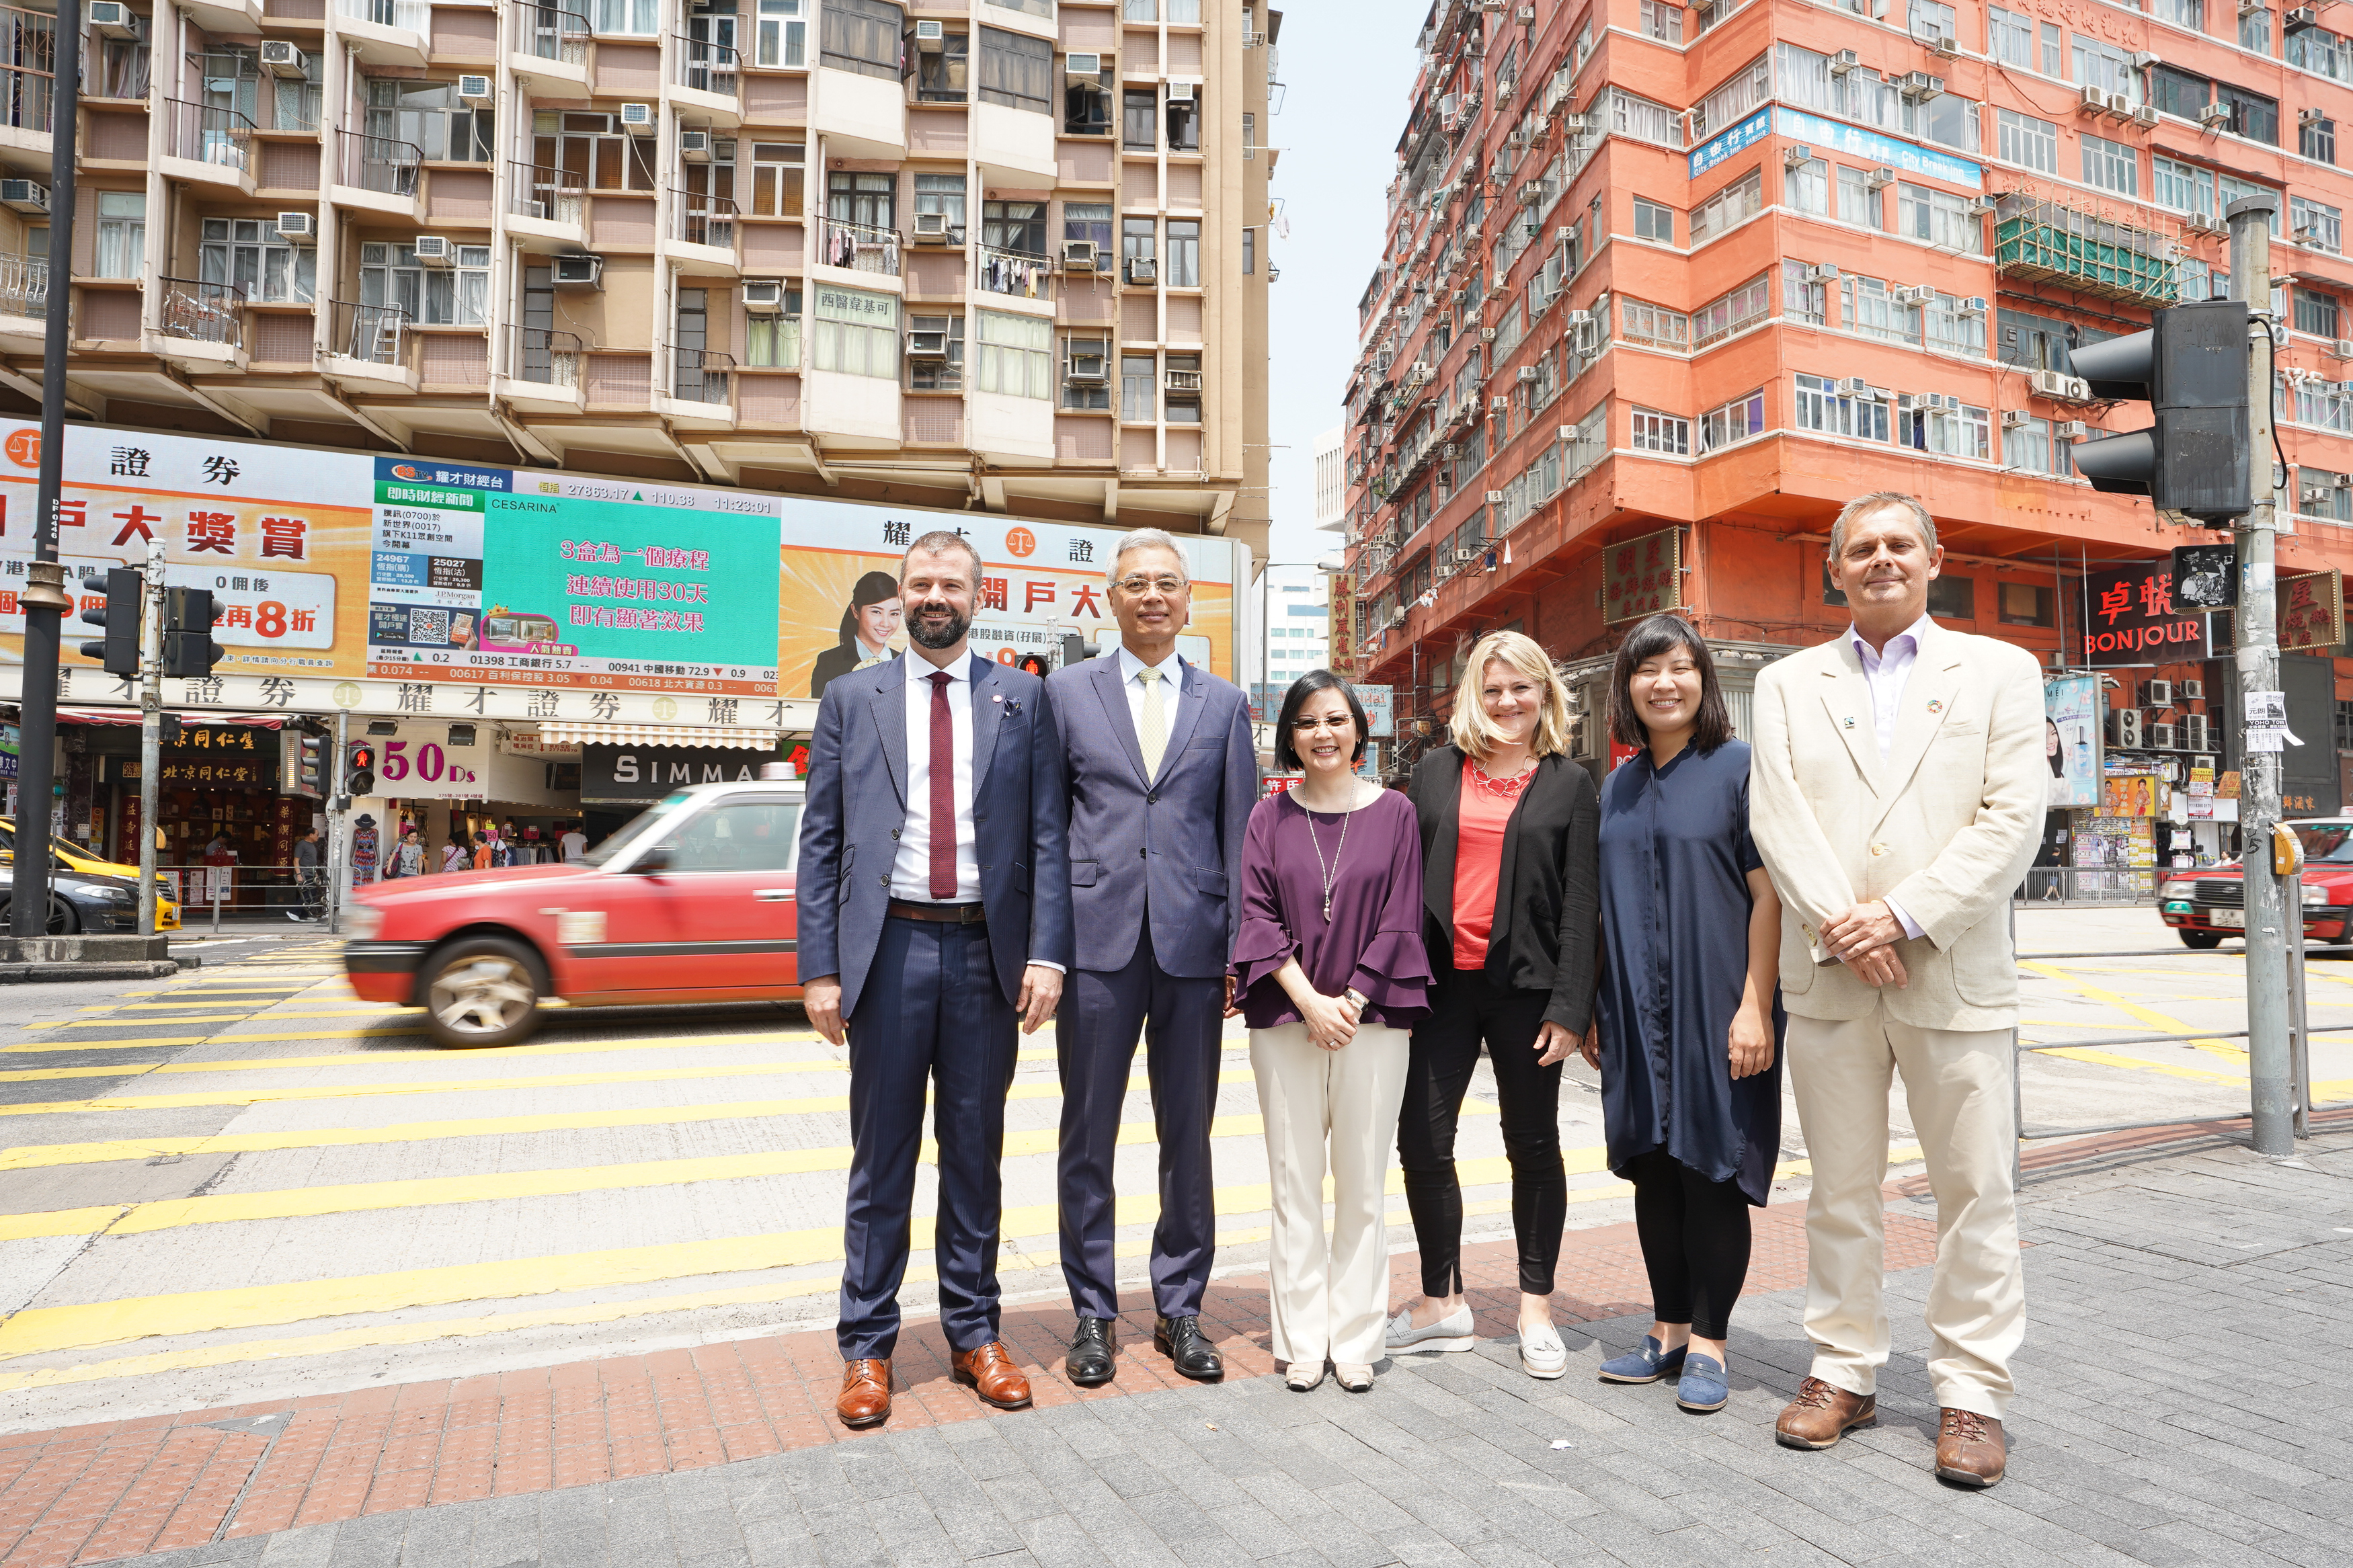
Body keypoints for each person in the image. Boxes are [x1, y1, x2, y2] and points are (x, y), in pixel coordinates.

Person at [1749, 491, 2044, 1487]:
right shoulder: (1789, 683)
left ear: (1934, 558)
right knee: (1838, 1192)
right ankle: (1844, 1368)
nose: (1881, 559)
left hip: (1949, 970)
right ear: (1833, 569)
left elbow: (2012, 819)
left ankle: (1971, 1393)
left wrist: (1905, 914)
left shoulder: (2003, 671)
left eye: (1899, 545)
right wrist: (1849, 923)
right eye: (1861, 548)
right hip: (1833, 978)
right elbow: (1778, 816)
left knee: (1975, 1192)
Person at [797, 530, 1072, 1430]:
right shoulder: (850, 697)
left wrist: (1046, 952)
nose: (934, 596)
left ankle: (972, 1331)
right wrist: (821, 968)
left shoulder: (1021, 699)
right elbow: (823, 844)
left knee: (974, 1155)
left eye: (951, 583)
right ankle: (867, 1347)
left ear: (979, 597)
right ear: (899, 597)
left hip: (985, 958)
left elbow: (1046, 839)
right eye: (920, 584)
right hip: (890, 955)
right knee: (881, 1160)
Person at [1045, 527, 1258, 1389]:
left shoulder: (1223, 702)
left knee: (1188, 1136)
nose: (1151, 596)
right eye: (1134, 583)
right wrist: (1046, 949)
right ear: (1109, 598)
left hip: (1192, 946)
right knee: (1086, 1135)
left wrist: (1243, 945)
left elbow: (1240, 831)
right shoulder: (1062, 694)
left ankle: (1180, 1308)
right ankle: (1093, 1311)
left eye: (1166, 582)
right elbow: (1043, 825)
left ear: (1188, 598)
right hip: (1095, 945)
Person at [1585, 615, 1784, 1415]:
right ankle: (1666, 1330)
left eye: (1678, 667)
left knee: (1711, 1169)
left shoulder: (1739, 768)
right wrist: (1598, 1006)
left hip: (1717, 1005)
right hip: (1635, 1007)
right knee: (1651, 1168)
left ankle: (1709, 1341)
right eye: (1645, 669)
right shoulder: (1617, 784)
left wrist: (1753, 1006)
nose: (1662, 682)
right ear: (1625, 686)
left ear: (1702, 680)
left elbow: (1768, 894)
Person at [1387, 630, 1598, 1380]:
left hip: (1528, 989)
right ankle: (1440, 1300)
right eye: (1492, 688)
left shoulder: (1570, 783)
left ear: (1545, 692)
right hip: (1440, 986)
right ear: (1472, 696)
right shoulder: (1438, 770)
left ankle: (1534, 1306)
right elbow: (1402, 872)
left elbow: (1580, 902)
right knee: (1422, 1140)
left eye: (1521, 687)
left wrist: (1572, 1006)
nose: (1507, 701)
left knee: (1533, 1144)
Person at [1232, 673, 1429, 1393]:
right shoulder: (1267, 817)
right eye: (1308, 721)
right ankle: (1301, 1338)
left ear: (1359, 731)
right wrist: (1309, 999)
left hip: (1371, 1020)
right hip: (1286, 1016)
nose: (1323, 733)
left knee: (1361, 1185)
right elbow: (1254, 917)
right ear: (1290, 735)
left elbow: (1402, 915)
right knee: (1293, 1183)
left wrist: (1347, 998)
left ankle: (1354, 1335)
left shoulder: (1396, 811)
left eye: (1337, 720)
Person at [809, 571, 904, 698]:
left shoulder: (904, 664)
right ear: (855, 611)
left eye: (894, 614)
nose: (886, 623)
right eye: (876, 612)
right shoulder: (829, 661)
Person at [290, 828, 322, 921]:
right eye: (317, 834)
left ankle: (305, 914)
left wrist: (315, 873)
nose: (318, 837)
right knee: (307, 894)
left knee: (313, 894)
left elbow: (312, 861)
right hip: (304, 873)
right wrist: (299, 874)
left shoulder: (312, 845)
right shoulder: (302, 845)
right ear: (311, 835)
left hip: (311, 872)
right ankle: (294, 912)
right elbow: (296, 861)